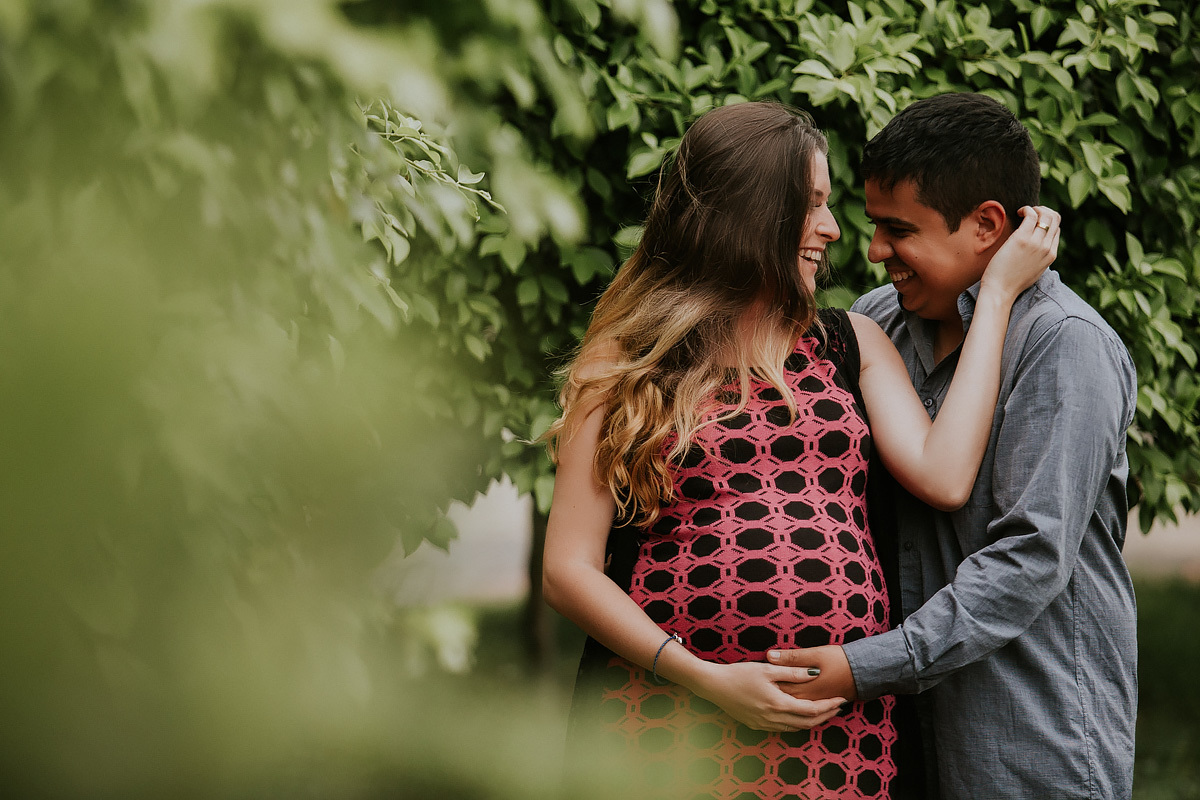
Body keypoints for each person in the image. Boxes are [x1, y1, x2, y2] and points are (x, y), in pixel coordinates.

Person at [541, 100, 1060, 800]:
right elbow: (567, 569)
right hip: (672, 723)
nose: (833, 229)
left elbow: (945, 475)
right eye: (813, 203)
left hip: (838, 743)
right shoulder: (630, 359)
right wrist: (708, 679)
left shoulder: (847, 342)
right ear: (756, 213)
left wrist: (994, 296)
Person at [768, 92, 1138, 800]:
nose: (875, 251)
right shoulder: (880, 323)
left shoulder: (1064, 345)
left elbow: (1027, 558)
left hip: (1031, 749)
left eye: (897, 230)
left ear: (987, 226)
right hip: (899, 749)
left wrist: (864, 665)